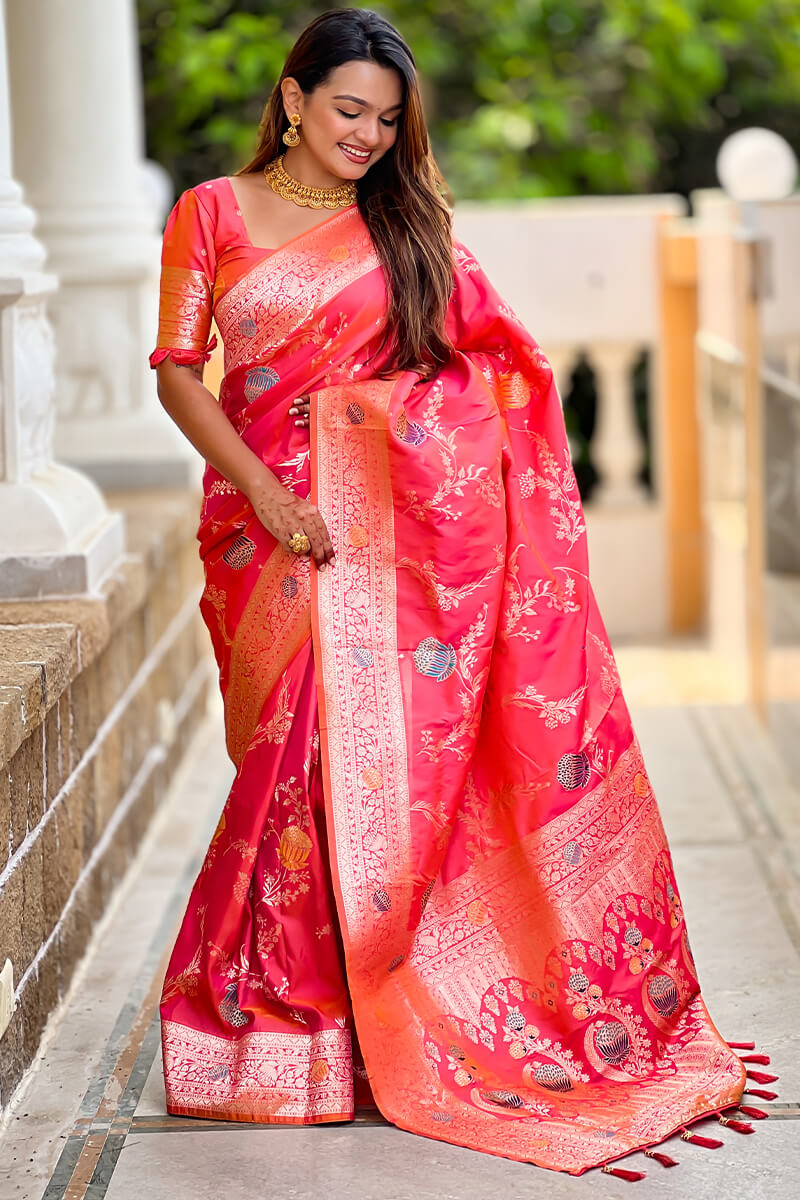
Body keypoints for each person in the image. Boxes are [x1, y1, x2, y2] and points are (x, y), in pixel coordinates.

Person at [149, 6, 769, 1180]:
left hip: (387, 542)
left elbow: (490, 368)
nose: (368, 137)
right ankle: (296, 1023)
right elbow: (182, 377)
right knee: (288, 762)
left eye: (386, 121)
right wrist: (272, 497)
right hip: (265, 533)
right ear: (289, 100)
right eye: (346, 111)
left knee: (333, 768)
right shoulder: (212, 215)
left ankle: (331, 1021)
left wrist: (388, 434)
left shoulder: (406, 223)